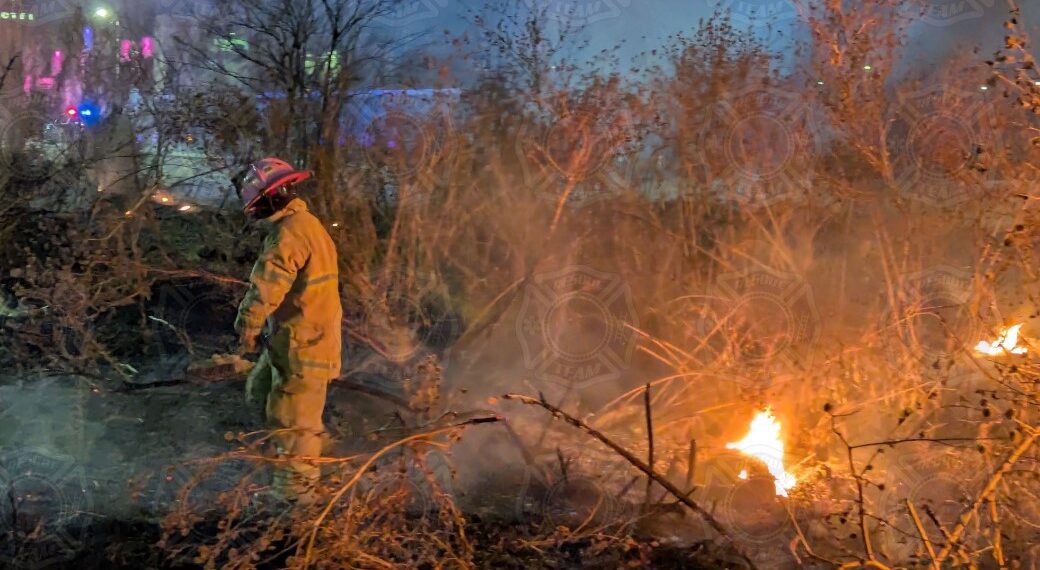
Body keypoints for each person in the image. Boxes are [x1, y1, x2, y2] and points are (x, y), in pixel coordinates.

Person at [233, 157, 342, 502]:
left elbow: (265, 288)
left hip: (304, 348)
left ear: (271, 197)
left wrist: (245, 328)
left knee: (293, 425)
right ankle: (317, 458)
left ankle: (297, 506)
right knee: (260, 391)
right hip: (295, 342)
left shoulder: (290, 234)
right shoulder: (306, 225)